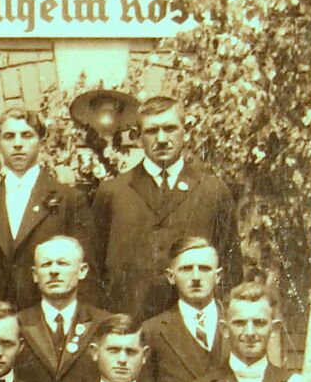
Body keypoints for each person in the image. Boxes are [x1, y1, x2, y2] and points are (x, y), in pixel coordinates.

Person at [87, 96, 238, 320]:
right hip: (128, 328)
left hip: (192, 326)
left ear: (186, 131)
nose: (162, 139)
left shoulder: (213, 191)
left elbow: (231, 268)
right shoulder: (113, 193)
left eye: (170, 129)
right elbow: (93, 270)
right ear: (138, 137)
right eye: (151, 131)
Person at [0, 104, 88, 311]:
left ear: (41, 142)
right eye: (9, 137)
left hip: (48, 317)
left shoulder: (69, 201)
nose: (18, 144)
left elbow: (87, 274)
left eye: (27, 135)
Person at [12, 235, 115, 382]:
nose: (53, 271)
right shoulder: (16, 323)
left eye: (62, 263)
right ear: (35, 274)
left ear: (82, 271)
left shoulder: (105, 323)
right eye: (46, 264)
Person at [137, 237, 228, 382]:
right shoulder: (152, 331)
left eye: (204, 268)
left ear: (218, 276)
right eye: (186, 269)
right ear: (171, 277)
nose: (196, 277)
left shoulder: (239, 322)